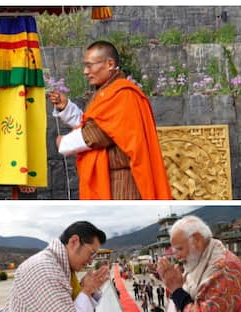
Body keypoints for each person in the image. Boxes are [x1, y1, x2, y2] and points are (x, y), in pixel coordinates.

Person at [48, 41, 172, 200]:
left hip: (122, 181)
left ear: (110, 64)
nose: (85, 71)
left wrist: (64, 142)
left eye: (90, 65)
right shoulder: (106, 92)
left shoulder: (123, 93)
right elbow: (91, 123)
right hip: (107, 175)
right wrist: (66, 108)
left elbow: (99, 134)